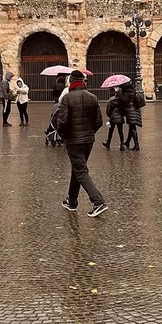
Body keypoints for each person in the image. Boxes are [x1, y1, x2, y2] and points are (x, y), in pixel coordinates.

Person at [57, 69, 107, 217]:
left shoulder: (67, 98)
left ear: (71, 82)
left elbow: (62, 121)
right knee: (77, 168)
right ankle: (72, 201)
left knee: (81, 171)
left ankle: (98, 202)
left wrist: (64, 135)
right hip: (88, 140)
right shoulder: (93, 97)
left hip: (74, 141)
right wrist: (90, 133)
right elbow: (99, 121)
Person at [120, 82, 146, 150]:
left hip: (131, 110)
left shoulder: (127, 92)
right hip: (135, 109)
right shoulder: (133, 90)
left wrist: (120, 94)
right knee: (131, 127)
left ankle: (137, 145)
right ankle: (128, 142)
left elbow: (124, 100)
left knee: (132, 128)